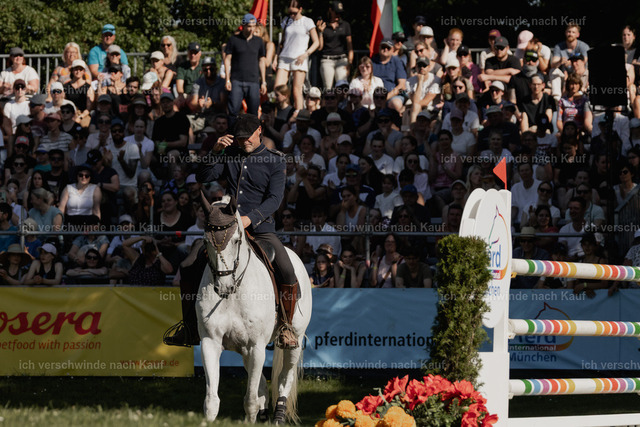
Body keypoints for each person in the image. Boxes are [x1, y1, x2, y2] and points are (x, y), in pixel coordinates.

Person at [175, 114, 298, 349]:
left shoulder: (275, 160)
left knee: (287, 271)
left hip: (260, 229)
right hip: (228, 227)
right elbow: (202, 177)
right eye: (239, 138)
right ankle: (189, 327)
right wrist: (214, 152)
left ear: (259, 130)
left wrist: (250, 218)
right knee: (188, 265)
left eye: (247, 137)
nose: (244, 142)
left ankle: (285, 326)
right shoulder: (230, 153)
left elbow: (275, 199)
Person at [274, 0, 320, 111]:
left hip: (299, 58)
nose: (292, 15)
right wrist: (276, 58)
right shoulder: (286, 21)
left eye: (294, 13)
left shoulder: (307, 21)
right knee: (278, 89)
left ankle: (298, 115)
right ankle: (285, 112)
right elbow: (282, 42)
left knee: (296, 90)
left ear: (300, 9)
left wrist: (306, 54)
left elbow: (316, 42)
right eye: (290, 13)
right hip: (284, 57)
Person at [224, 14, 267, 118]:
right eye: (249, 26)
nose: (251, 29)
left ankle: (253, 129)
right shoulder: (233, 39)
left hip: (253, 81)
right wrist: (227, 79)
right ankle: (232, 129)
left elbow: (262, 61)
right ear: (243, 26)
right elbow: (227, 59)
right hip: (236, 81)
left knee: (253, 113)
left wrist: (263, 81)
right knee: (233, 111)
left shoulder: (259, 41)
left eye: (254, 26)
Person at [316, 1, 353, 89]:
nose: (338, 15)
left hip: (342, 59)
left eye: (340, 13)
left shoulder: (345, 25)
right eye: (336, 13)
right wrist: (320, 32)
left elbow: (350, 46)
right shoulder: (324, 25)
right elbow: (320, 47)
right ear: (330, 11)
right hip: (327, 60)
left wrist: (350, 63)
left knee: (342, 87)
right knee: (327, 88)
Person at [371, 39, 407, 113]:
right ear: (379, 48)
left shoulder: (397, 62)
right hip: (373, 96)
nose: (385, 49)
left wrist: (385, 97)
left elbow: (402, 85)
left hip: (391, 96)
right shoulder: (372, 61)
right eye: (383, 47)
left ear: (392, 49)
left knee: (396, 103)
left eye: (388, 48)